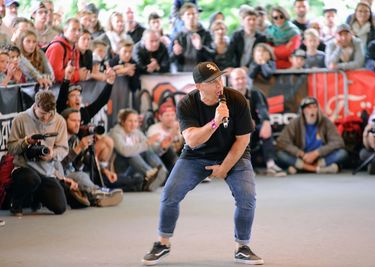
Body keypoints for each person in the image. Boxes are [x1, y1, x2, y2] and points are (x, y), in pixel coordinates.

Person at [142, 62, 263, 265]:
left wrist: (224, 168)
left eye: (220, 79)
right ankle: (163, 243)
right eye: (212, 81)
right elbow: (191, 140)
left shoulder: (237, 99)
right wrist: (215, 121)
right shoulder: (186, 104)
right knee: (169, 194)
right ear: (199, 86)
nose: (219, 85)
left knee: (247, 197)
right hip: (196, 155)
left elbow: (243, 140)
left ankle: (242, 247)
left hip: (234, 154)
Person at [7, 90, 74, 216]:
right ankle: (15, 203)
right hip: (24, 168)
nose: (46, 117)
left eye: (49, 114)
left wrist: (52, 153)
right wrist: (26, 141)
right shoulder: (20, 119)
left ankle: (36, 196)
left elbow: (64, 149)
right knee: (31, 179)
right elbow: (11, 148)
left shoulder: (59, 121)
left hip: (46, 171)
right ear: (36, 105)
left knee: (60, 208)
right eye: (43, 113)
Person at [60, 108, 123, 206]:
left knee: (84, 175)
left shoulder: (74, 139)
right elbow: (58, 165)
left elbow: (87, 160)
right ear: (63, 121)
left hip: (73, 174)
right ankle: (98, 193)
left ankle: (96, 196)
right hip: (60, 176)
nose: (77, 124)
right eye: (73, 121)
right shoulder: (58, 139)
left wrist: (105, 171)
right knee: (80, 175)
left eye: (79, 121)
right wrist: (79, 147)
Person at [230, 67, 285, 176]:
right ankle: (245, 166)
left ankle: (270, 164)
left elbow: (262, 108)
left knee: (265, 129)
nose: (240, 81)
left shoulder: (255, 93)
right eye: (237, 79)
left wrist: (266, 122)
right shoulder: (227, 95)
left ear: (246, 79)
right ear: (232, 81)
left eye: (242, 78)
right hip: (233, 131)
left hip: (253, 128)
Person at [276, 96, 348, 174]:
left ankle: (303, 168)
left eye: (315, 107)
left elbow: (338, 142)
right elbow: (281, 142)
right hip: (302, 158)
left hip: (320, 158)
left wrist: (317, 153)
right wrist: (300, 153)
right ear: (303, 111)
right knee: (280, 155)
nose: (312, 110)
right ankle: (318, 169)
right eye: (309, 108)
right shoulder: (295, 123)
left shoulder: (325, 122)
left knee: (342, 153)